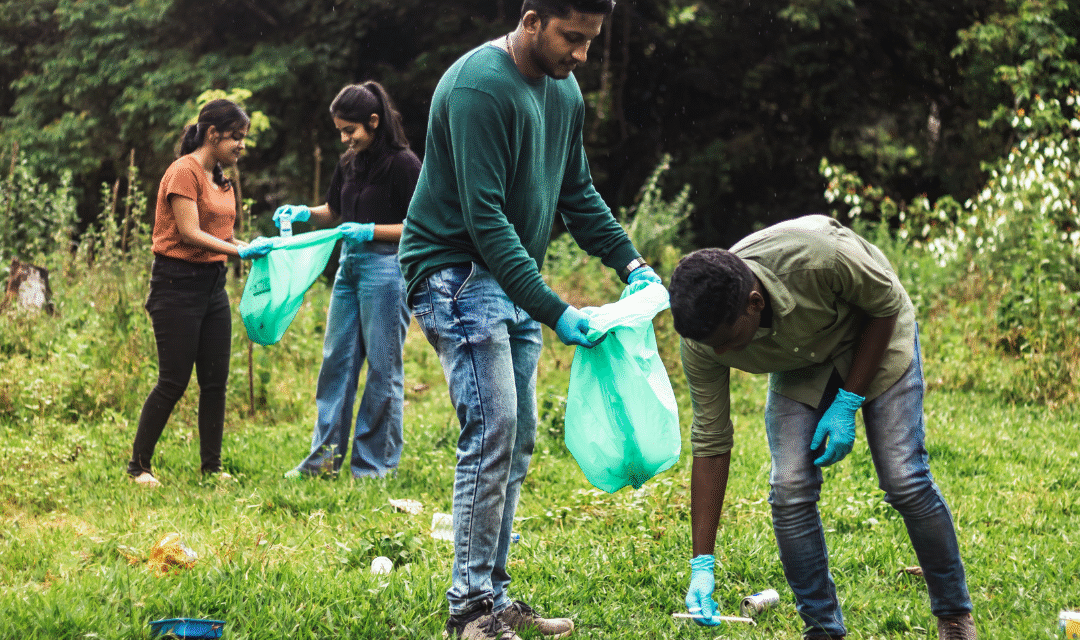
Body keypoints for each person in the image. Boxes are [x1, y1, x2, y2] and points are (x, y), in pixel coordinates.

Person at [398, 1, 661, 638]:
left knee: (517, 438)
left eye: (591, 41)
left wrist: (631, 263)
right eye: (572, 37)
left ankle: (493, 596)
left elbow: (577, 192)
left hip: (508, 276)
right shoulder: (479, 88)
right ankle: (469, 612)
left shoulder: (563, 90)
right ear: (533, 18)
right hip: (455, 271)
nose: (582, 55)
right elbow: (485, 218)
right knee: (494, 430)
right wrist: (554, 309)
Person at [668, 215, 976, 640]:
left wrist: (848, 401)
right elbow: (711, 440)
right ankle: (823, 629)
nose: (719, 353)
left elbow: (885, 305)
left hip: (875, 331)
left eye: (727, 340)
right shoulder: (702, 339)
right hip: (801, 362)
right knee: (789, 486)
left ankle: (955, 614)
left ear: (755, 303)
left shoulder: (820, 256)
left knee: (903, 477)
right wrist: (702, 562)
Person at [273, 82, 420, 481]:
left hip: (387, 270)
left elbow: (418, 227)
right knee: (335, 365)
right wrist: (303, 212)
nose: (344, 138)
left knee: (382, 369)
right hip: (348, 267)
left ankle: (373, 466)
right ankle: (322, 462)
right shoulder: (349, 162)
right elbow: (333, 210)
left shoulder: (405, 164)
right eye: (340, 131)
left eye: (349, 130)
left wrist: (370, 231)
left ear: (373, 121)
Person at [128, 99, 274, 488]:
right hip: (176, 286)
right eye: (236, 137)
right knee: (173, 380)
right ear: (212, 133)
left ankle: (211, 468)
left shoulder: (221, 179)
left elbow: (222, 237)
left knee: (214, 382)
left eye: (243, 137)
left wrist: (249, 246)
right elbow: (190, 233)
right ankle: (138, 467)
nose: (242, 145)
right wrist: (239, 252)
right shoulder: (184, 172)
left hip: (213, 287)